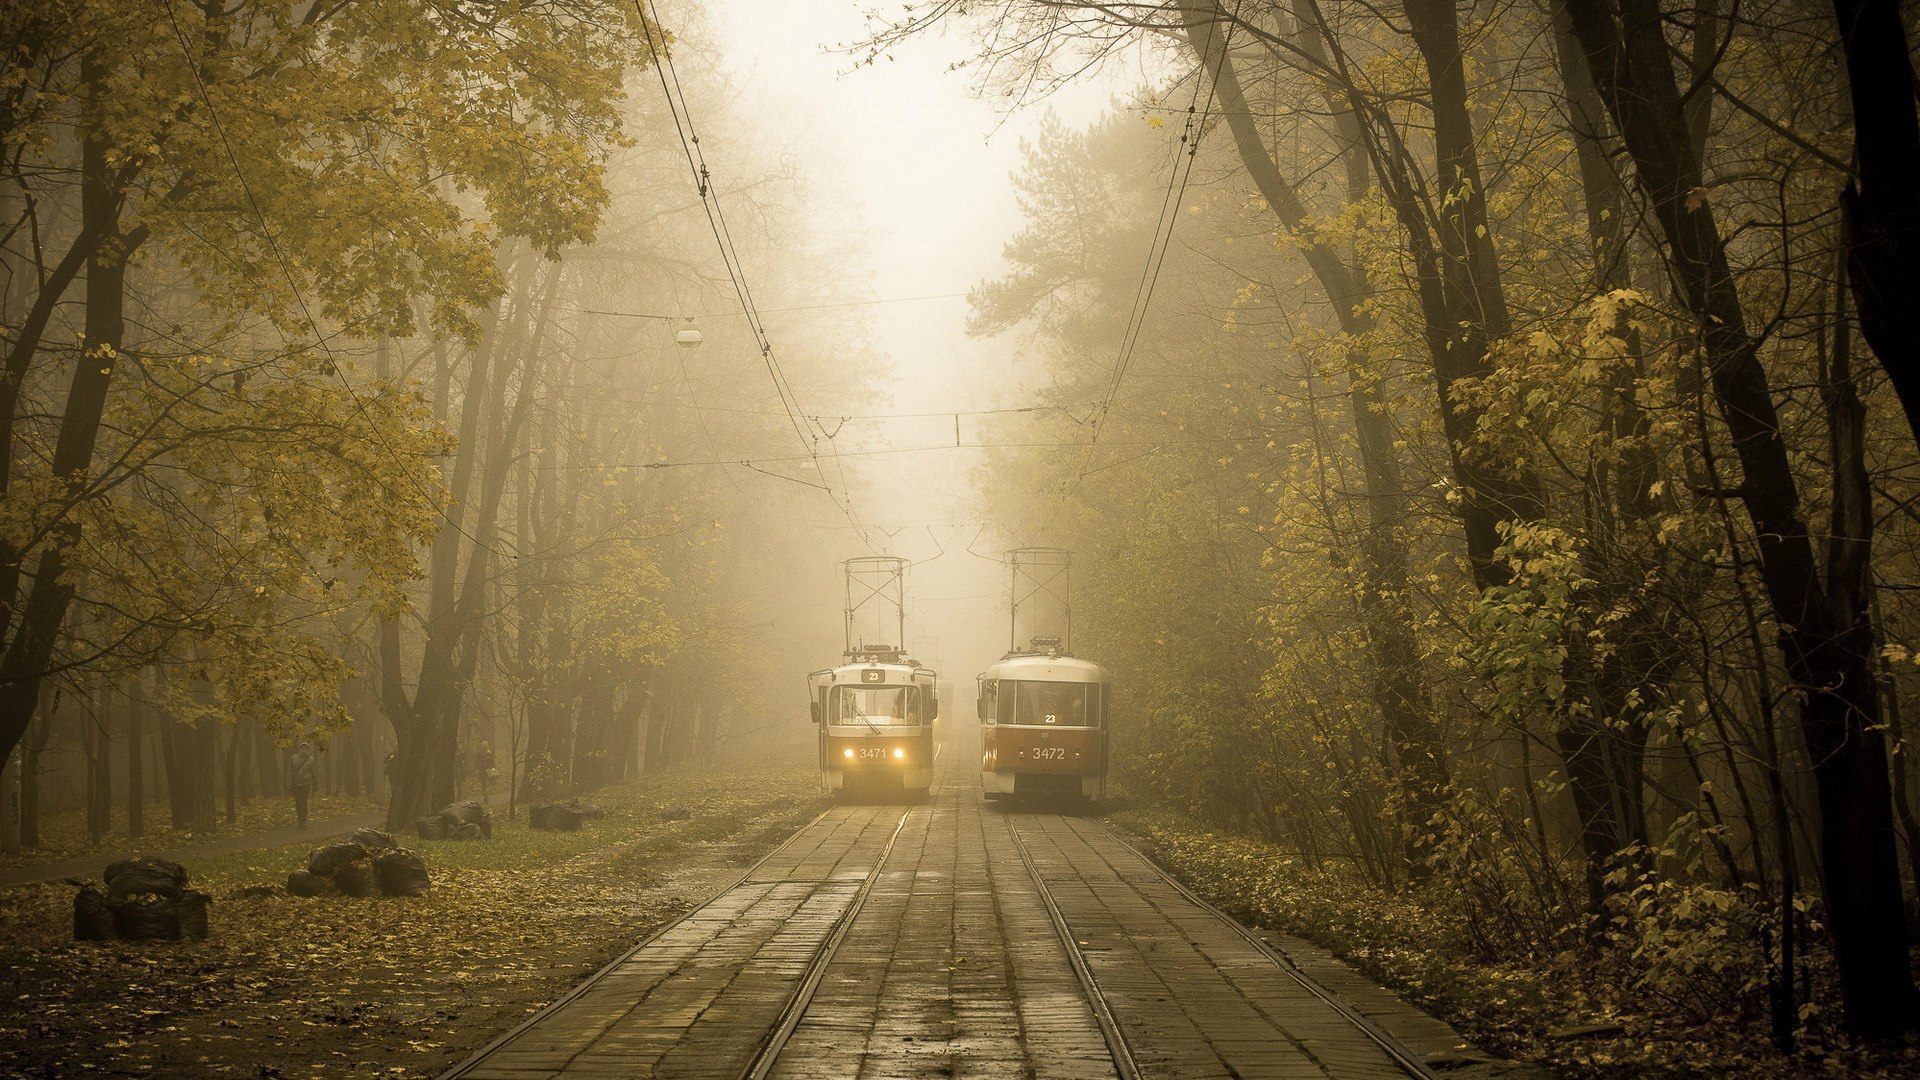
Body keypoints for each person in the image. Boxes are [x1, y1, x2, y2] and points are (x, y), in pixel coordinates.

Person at [287, 742, 317, 828]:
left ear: (308, 750)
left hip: (306, 783)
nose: (304, 750)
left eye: (306, 748)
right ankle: (299, 818)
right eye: (302, 748)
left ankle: (302, 821)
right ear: (299, 749)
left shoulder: (311, 759)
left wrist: (316, 784)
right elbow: (289, 772)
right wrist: (289, 784)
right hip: (296, 783)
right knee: (298, 802)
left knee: (304, 801)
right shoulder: (293, 758)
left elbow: (314, 772)